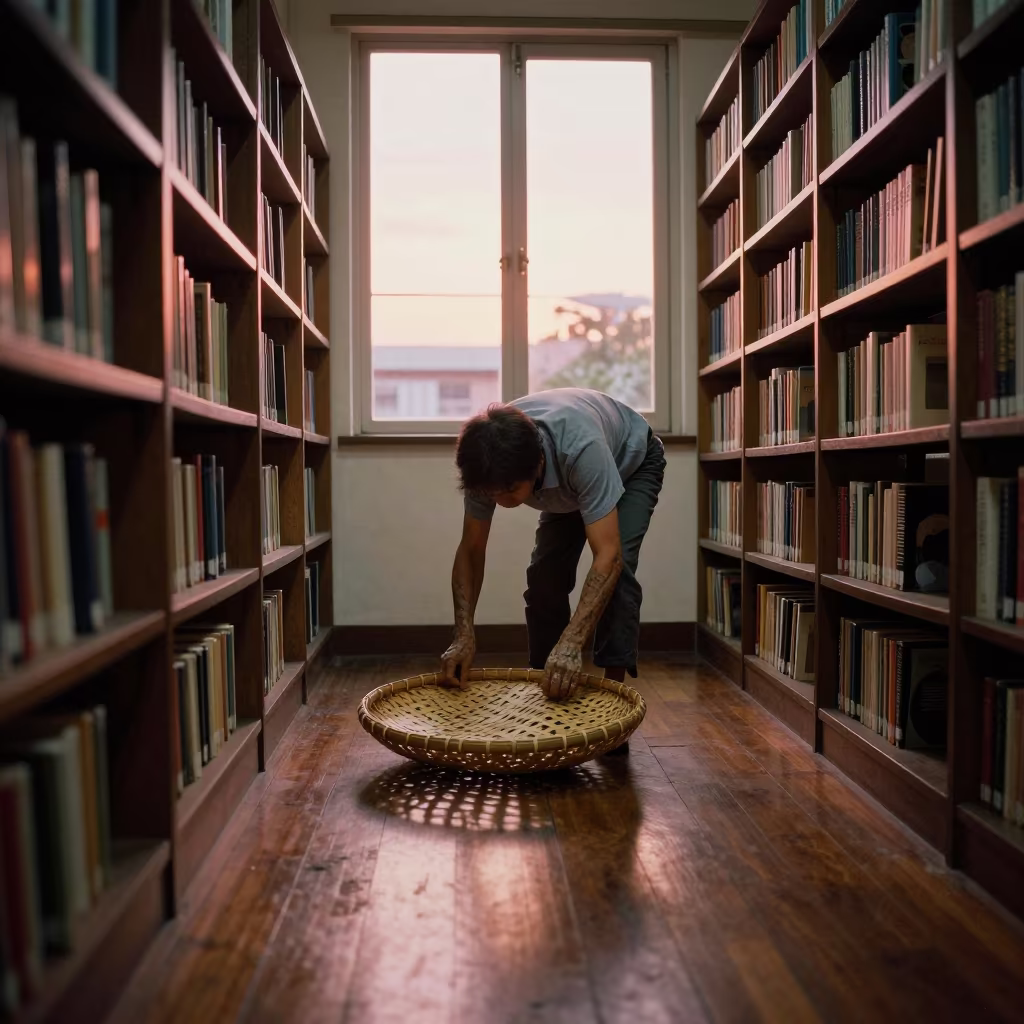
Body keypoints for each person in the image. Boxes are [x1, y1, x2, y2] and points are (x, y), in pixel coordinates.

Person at [440, 387, 666, 707]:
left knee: (620, 569)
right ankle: (545, 683)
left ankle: (614, 698)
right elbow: (471, 548)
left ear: (537, 465)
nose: (499, 501)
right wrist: (463, 634)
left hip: (630, 463)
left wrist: (572, 644)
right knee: (545, 575)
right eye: (491, 493)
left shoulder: (581, 450)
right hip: (574, 480)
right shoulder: (485, 464)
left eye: (508, 491)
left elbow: (608, 555)